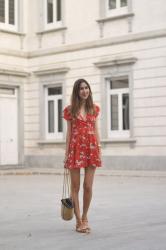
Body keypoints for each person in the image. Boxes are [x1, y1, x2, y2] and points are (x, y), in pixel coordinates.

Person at [63, 78, 102, 233]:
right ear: (76, 91)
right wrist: (66, 154)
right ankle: (78, 221)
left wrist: (99, 148)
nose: (84, 91)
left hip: (91, 150)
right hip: (75, 149)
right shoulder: (70, 110)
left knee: (88, 186)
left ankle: (85, 216)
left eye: (86, 88)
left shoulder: (94, 109)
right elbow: (69, 133)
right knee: (76, 187)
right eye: (81, 88)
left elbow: (96, 130)